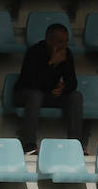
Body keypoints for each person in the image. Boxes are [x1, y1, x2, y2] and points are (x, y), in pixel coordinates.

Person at [15, 23, 83, 156]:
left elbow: (72, 82)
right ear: (49, 41)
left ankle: (76, 144)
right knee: (36, 95)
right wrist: (51, 63)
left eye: (66, 41)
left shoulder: (66, 53)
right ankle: (29, 145)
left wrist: (63, 89)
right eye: (60, 42)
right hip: (25, 94)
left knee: (75, 96)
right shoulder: (34, 52)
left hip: (49, 94)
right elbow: (32, 83)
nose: (64, 45)